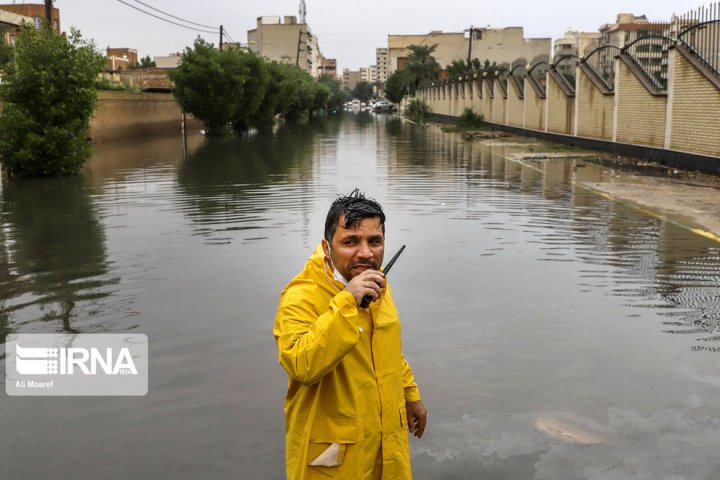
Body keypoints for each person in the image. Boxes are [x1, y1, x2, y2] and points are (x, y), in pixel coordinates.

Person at [273, 189, 428, 480]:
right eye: (351, 241)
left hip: (384, 441)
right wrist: (347, 301)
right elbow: (301, 364)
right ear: (327, 246)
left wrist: (411, 395)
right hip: (333, 455)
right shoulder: (301, 295)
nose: (366, 253)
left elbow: (386, 346)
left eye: (375, 241)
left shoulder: (375, 279)